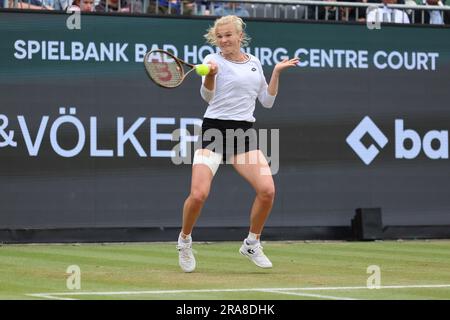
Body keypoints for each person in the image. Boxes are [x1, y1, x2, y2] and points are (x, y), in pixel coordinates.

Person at [176, 15, 299, 273]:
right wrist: (210, 76)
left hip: (243, 133)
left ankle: (252, 243)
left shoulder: (254, 62)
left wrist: (276, 72)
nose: (224, 40)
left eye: (228, 35)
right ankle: (185, 240)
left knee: (267, 190)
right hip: (214, 131)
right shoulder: (212, 61)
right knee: (199, 194)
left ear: (240, 36)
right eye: (219, 37)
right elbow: (207, 96)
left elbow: (266, 101)